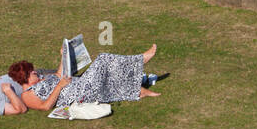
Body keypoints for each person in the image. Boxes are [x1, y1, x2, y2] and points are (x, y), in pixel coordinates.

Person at [15, 43, 162, 113]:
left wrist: (64, 56)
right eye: (31, 72)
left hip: (78, 84)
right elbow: (45, 106)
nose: (35, 72)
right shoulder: (27, 94)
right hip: (80, 93)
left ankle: (139, 91)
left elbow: (60, 74)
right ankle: (141, 60)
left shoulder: (41, 78)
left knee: (107, 70)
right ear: (25, 78)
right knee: (103, 59)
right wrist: (60, 86)